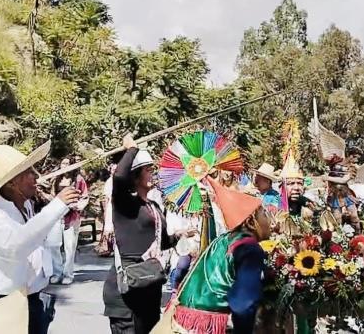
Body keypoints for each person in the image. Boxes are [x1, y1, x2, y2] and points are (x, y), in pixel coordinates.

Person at [0, 141, 80, 334]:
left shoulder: (24, 206)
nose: (35, 177)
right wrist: (57, 206)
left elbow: (34, 238)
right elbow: (18, 245)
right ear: (12, 182)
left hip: (28, 300)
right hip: (1, 307)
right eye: (29, 173)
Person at [103, 133, 194, 334]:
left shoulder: (152, 205)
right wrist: (131, 149)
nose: (152, 173)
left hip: (149, 285)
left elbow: (160, 242)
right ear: (135, 176)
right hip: (128, 289)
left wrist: (180, 235)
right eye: (147, 169)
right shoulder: (125, 204)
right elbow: (118, 177)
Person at [168, 177, 271, 334]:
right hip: (207, 325)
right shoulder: (249, 248)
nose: (269, 220)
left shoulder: (223, 240)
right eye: (264, 213)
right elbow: (242, 303)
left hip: (185, 320)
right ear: (251, 221)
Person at [52, 157, 90, 285]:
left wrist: (78, 206)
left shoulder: (78, 179)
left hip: (72, 216)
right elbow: (52, 195)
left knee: (69, 246)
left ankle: (68, 273)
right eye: (63, 163)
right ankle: (57, 272)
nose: (65, 165)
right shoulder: (56, 178)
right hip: (57, 215)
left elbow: (85, 196)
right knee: (54, 245)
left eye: (67, 163)